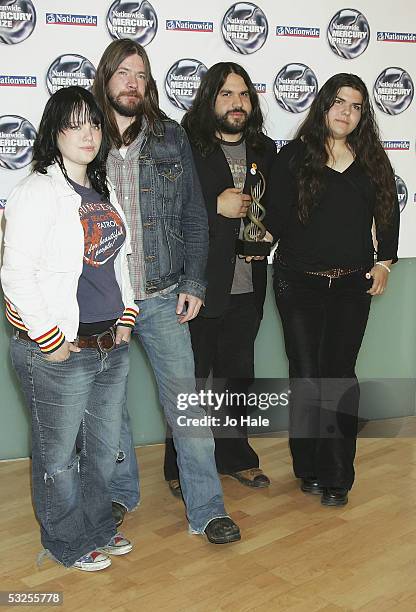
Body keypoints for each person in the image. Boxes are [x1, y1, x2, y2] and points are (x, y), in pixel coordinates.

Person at [93, 39, 240, 544]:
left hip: (162, 295)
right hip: (103, 301)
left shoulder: (171, 137)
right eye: (123, 73)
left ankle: (207, 509)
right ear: (106, 79)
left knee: (188, 411)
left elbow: (196, 217)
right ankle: (118, 494)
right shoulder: (83, 137)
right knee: (109, 409)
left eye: (141, 73)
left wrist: (194, 282)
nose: (132, 82)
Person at [1, 86, 138, 570]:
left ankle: (98, 528)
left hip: (109, 345)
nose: (88, 134)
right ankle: (68, 542)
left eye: (95, 124)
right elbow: (15, 276)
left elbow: (116, 261)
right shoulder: (35, 191)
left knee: (103, 453)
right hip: (59, 351)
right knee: (57, 460)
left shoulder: (103, 189)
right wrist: (49, 338)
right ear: (54, 131)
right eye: (75, 124)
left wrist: (127, 313)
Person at [268, 73, 400, 506]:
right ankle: (308, 466)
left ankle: (338, 476)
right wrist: (252, 242)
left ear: (363, 114)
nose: (346, 112)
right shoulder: (293, 157)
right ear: (324, 105)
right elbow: (276, 218)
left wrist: (384, 261)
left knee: (339, 376)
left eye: (356, 106)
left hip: (350, 286)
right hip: (298, 283)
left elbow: (387, 213)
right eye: (339, 102)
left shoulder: (372, 159)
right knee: (306, 376)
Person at [163, 62, 277, 495]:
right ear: (210, 100)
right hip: (198, 287)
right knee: (190, 383)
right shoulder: (186, 148)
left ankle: (237, 458)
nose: (237, 103)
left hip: (248, 287)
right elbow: (169, 210)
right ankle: (178, 468)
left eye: (244, 94)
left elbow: (280, 205)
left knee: (237, 378)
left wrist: (273, 227)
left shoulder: (265, 150)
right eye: (227, 94)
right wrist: (217, 207)